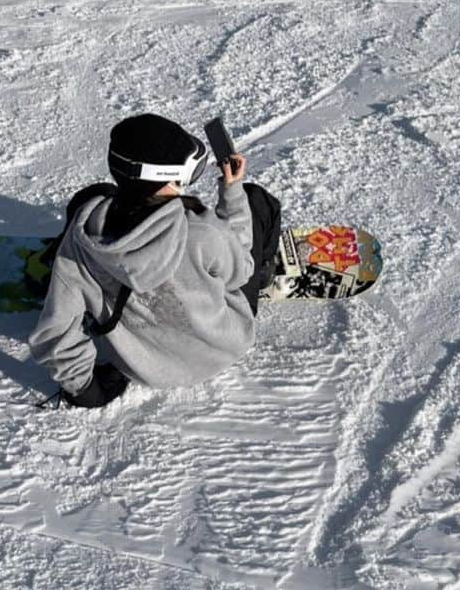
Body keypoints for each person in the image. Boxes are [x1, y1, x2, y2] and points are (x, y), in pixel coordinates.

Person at [28, 114, 281, 409]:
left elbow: (57, 333)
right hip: (221, 348)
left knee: (92, 196)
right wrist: (233, 192)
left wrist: (86, 390)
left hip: (144, 368)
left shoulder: (82, 242)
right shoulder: (201, 231)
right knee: (257, 200)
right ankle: (267, 272)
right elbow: (240, 271)